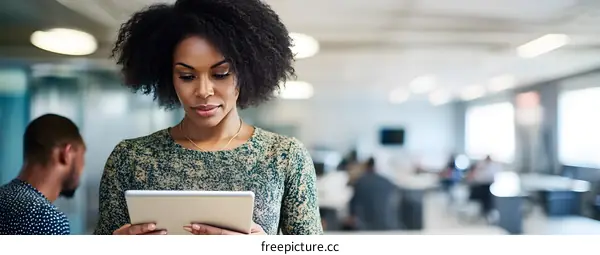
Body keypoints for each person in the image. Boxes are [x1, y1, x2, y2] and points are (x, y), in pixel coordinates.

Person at [93, 0, 322, 235]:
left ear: (247, 72)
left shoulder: (284, 157)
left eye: (220, 74)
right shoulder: (130, 159)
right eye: (187, 76)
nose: (203, 91)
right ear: (168, 77)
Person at [0, 114, 86, 235]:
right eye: (82, 155)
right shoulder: (47, 218)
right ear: (66, 153)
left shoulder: (4, 197)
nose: (82, 167)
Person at [346, 157, 400, 231]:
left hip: (366, 227)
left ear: (366, 167)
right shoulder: (388, 182)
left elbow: (353, 207)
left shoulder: (360, 182)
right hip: (388, 225)